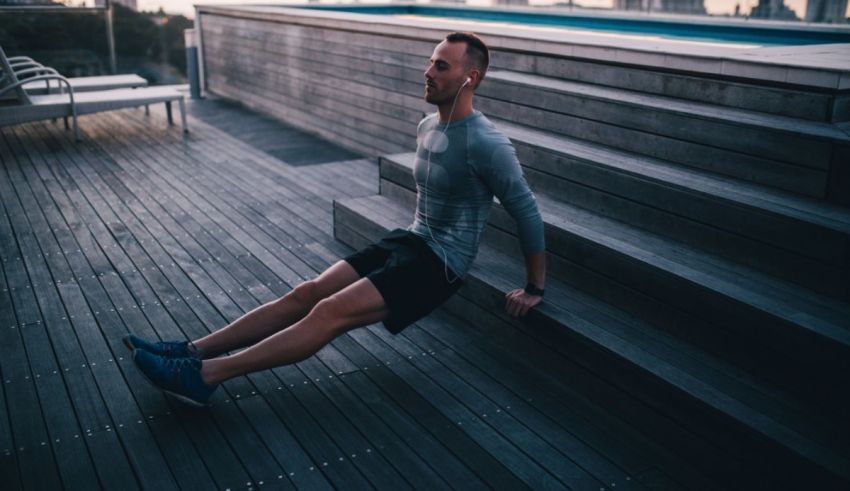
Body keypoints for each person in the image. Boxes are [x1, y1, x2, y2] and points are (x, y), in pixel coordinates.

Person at [127, 32, 546, 407]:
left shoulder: (489, 144)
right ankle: (192, 350)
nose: (428, 72)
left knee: (328, 312)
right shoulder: (426, 126)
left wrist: (533, 287)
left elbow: (525, 210)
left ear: (470, 77)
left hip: (442, 264)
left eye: (441, 65)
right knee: (306, 293)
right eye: (430, 61)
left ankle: (204, 377)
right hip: (412, 240)